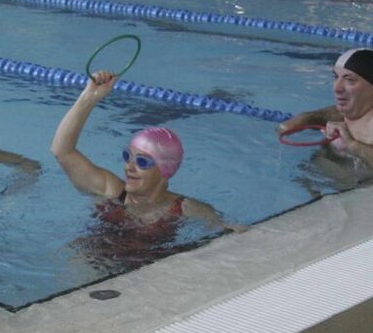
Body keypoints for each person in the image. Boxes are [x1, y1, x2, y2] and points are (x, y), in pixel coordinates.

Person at [52, 70, 242, 232]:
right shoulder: (110, 191)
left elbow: (228, 229)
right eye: (128, 157)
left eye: (142, 162)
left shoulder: (187, 209)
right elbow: (62, 151)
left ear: (165, 171)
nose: (129, 167)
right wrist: (88, 97)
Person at [276, 48, 373, 185]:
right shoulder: (357, 109)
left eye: (350, 80)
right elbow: (337, 113)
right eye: (336, 77)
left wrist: (353, 146)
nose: (337, 88)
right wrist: (307, 118)